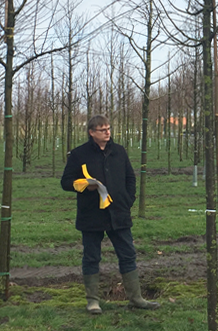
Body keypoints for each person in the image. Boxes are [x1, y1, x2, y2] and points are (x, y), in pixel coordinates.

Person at [61, 115, 159, 314]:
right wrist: (83, 186)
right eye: (102, 129)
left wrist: (127, 200)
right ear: (91, 132)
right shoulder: (79, 154)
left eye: (108, 128)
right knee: (91, 257)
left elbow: (130, 178)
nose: (107, 132)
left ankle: (136, 298)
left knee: (128, 255)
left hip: (119, 213)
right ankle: (93, 301)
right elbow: (66, 182)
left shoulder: (119, 152)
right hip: (91, 215)